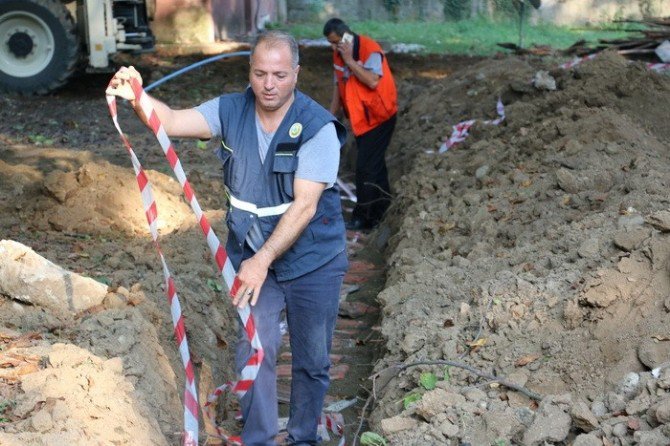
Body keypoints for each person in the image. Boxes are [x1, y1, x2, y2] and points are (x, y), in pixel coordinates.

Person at [106, 30, 348, 446]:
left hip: (313, 259)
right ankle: (259, 439)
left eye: (279, 74)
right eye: (260, 73)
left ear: (296, 74)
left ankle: (304, 436)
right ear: (249, 72)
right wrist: (138, 97)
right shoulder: (230, 110)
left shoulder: (316, 129)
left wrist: (263, 259)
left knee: (312, 360)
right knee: (255, 349)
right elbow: (174, 121)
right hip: (253, 256)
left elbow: (305, 207)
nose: (269, 84)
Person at [323, 18, 398, 231]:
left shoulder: (369, 49)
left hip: (380, 118)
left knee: (365, 167)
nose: (334, 46)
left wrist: (350, 61)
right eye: (331, 43)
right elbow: (339, 86)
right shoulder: (338, 55)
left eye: (336, 41)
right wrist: (330, 116)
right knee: (375, 166)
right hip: (362, 121)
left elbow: (373, 80)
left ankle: (363, 218)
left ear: (347, 35)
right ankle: (382, 210)